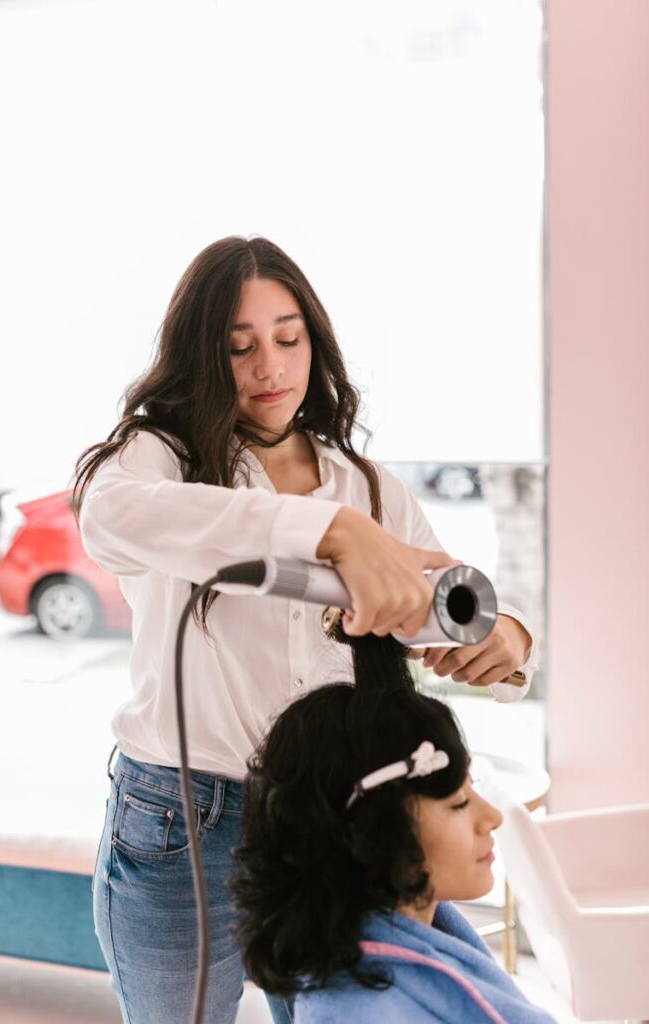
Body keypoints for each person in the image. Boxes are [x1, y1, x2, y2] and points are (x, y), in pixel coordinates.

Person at [73, 235, 537, 1024]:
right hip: (181, 818)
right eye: (240, 347)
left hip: (327, 813)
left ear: (314, 342)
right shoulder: (159, 460)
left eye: (288, 340)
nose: (270, 368)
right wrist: (325, 533)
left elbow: (442, 598)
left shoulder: (365, 488)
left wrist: (508, 636)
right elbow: (109, 519)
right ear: (200, 355)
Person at [233, 638, 555, 1023]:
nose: (493, 817)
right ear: (374, 831)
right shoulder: (362, 1015)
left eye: (473, 788)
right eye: (458, 802)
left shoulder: (424, 934)